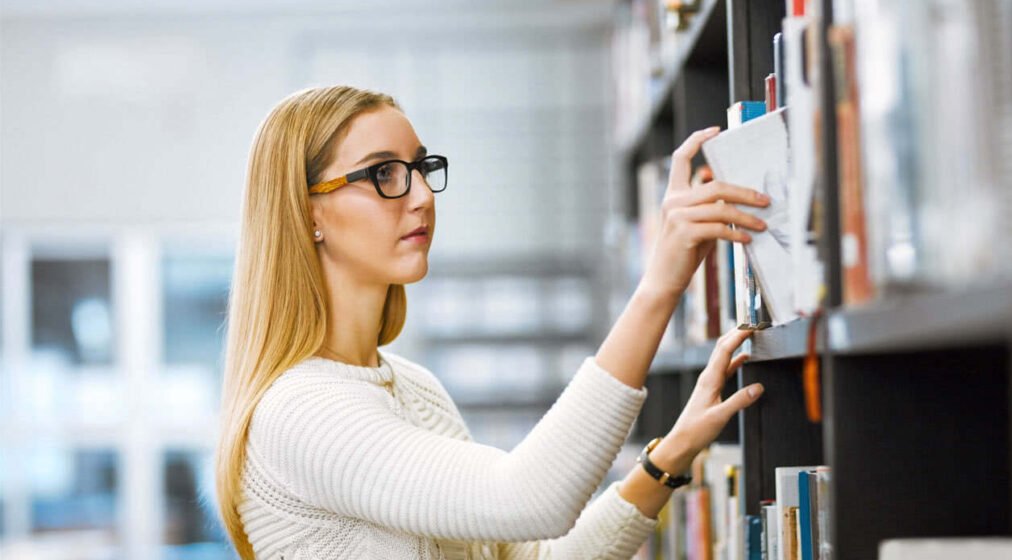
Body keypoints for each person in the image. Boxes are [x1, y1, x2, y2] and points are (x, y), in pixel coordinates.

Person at [213, 85, 771, 559]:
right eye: (385, 173)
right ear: (308, 213)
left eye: (421, 168)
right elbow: (530, 500)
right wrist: (659, 286)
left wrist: (668, 458)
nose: (424, 196)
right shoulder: (299, 412)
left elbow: (533, 554)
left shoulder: (414, 389)